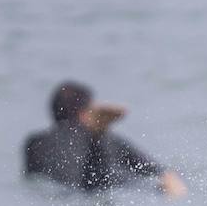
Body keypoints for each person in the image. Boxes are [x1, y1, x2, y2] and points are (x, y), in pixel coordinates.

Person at [23, 81, 187, 197]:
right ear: (84, 113)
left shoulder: (33, 143)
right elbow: (155, 170)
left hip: (60, 188)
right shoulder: (110, 140)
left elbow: (31, 177)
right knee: (125, 180)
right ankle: (97, 138)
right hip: (99, 181)